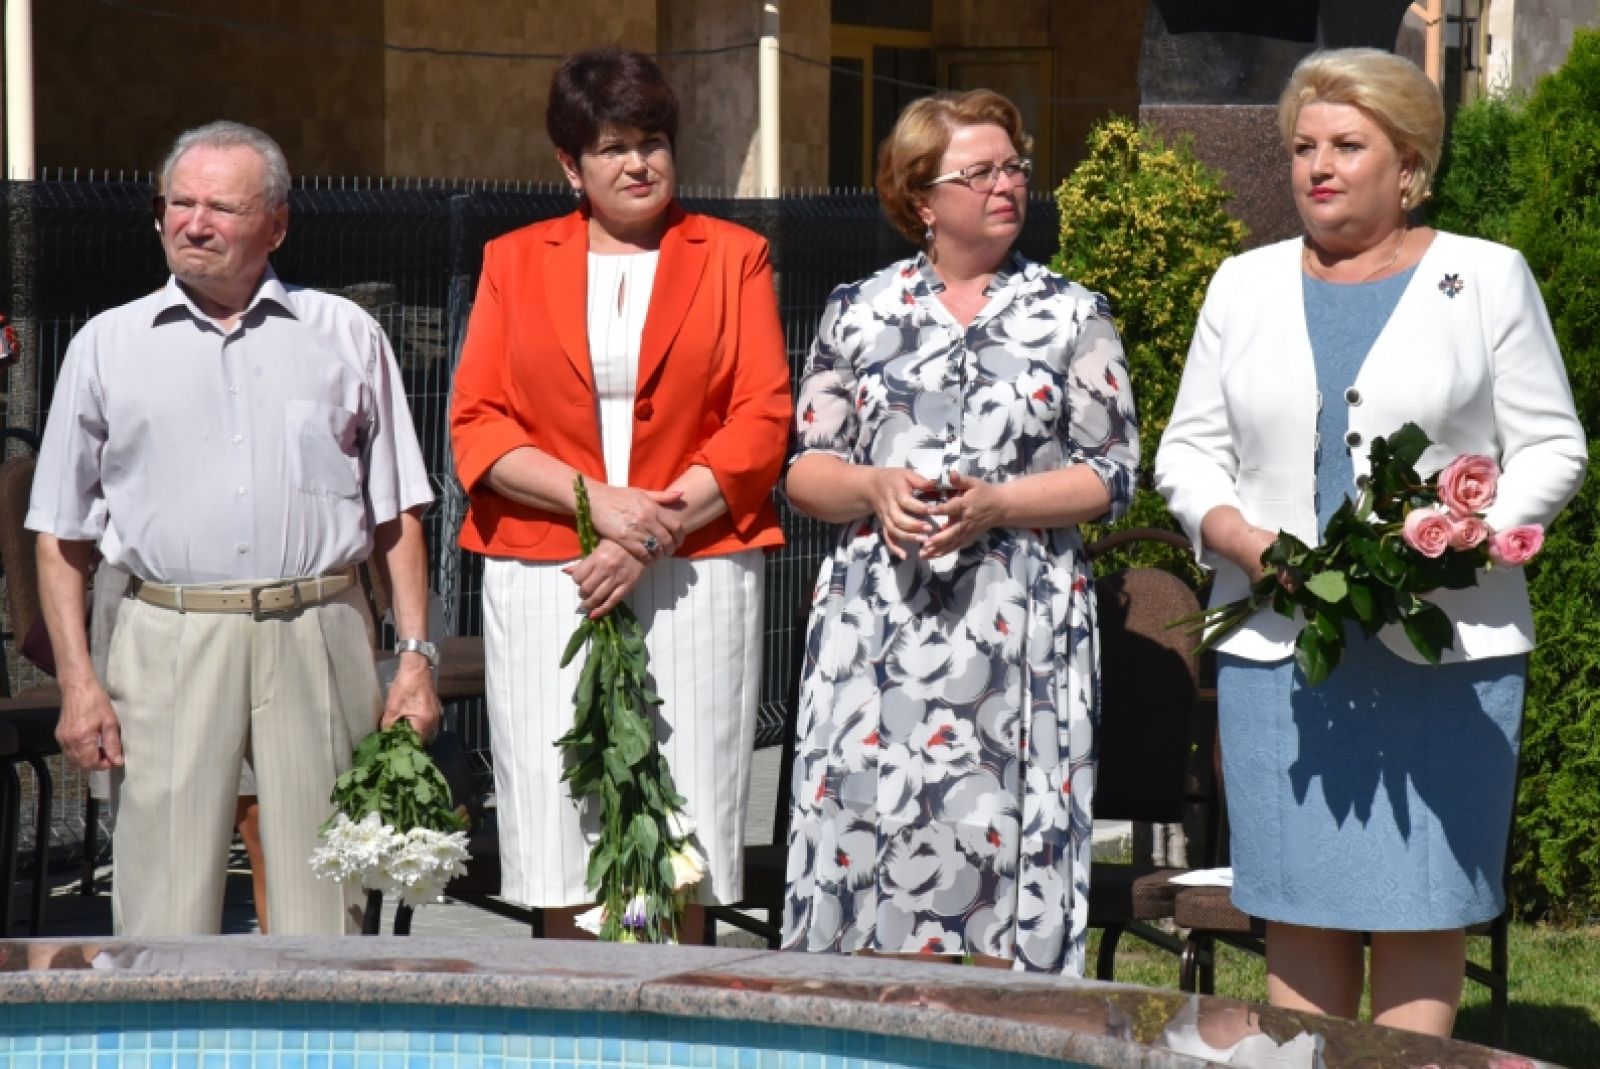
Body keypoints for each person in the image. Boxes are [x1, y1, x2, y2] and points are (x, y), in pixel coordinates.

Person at [1155, 49, 1587, 1035]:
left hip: (1447, 652)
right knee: (1299, 897)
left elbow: (1553, 445)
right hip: (1279, 647)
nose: (1319, 166)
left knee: (1423, 900)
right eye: (1303, 147)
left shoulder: (1486, 277)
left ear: (1410, 165)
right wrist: (1238, 538)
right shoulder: (1242, 284)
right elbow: (1188, 450)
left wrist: (1466, 540)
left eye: (1347, 145)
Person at [31, 120, 441, 937]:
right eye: (178, 203)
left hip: (317, 630)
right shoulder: (106, 345)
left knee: (328, 899)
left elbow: (397, 512)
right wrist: (79, 683)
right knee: (162, 910)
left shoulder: (345, 335)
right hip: (168, 633)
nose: (193, 223)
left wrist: (416, 660)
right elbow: (60, 536)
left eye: (221, 207)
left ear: (276, 224)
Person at [780, 89, 1139, 974]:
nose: (1006, 185)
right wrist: (872, 486)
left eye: (1013, 167)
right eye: (979, 173)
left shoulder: (1074, 313)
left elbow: (1112, 474)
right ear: (921, 197)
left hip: (1020, 628)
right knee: (868, 846)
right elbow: (804, 470)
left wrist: (1000, 505)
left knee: (1004, 855)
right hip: (878, 630)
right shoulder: (858, 310)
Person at [448, 46, 791, 938]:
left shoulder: (736, 256)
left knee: (683, 818)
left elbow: (761, 421)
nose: (638, 163)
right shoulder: (512, 261)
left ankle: (677, 1004)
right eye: (613, 148)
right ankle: (576, 1004)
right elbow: (478, 425)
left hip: (695, 568)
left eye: (652, 142)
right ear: (571, 165)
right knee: (563, 820)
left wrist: (647, 533)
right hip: (548, 571)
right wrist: (595, 504)